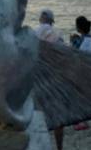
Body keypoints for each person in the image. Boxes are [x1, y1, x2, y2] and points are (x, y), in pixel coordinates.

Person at [35, 10, 65, 150]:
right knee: (57, 115)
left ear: (41, 19)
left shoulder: (32, 33)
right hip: (54, 77)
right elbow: (64, 55)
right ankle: (59, 147)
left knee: (39, 116)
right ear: (52, 21)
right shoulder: (57, 34)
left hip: (36, 78)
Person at [70, 15, 91, 132]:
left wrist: (73, 41)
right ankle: (84, 121)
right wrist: (76, 39)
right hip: (88, 69)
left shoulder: (84, 40)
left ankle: (82, 122)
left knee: (78, 96)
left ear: (79, 27)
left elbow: (76, 52)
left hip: (81, 70)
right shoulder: (89, 38)